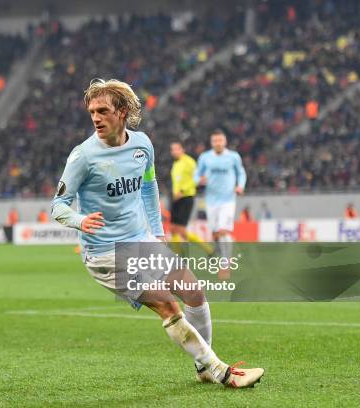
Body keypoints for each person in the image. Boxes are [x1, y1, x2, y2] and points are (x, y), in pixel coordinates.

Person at [51, 79, 263, 388]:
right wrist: (79, 221)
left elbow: (149, 186)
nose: (95, 118)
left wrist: (158, 233)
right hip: (106, 253)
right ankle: (221, 372)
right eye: (92, 112)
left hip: (142, 240)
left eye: (103, 110)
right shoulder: (83, 156)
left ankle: (203, 367)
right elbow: (58, 205)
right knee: (167, 304)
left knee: (194, 293)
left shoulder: (142, 145)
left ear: (122, 111)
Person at [195, 130, 246, 280]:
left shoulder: (233, 157)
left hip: (228, 200)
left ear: (225, 142)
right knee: (215, 234)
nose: (218, 143)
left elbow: (241, 173)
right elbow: (197, 174)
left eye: (220, 140)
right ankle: (223, 252)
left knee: (223, 231)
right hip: (211, 201)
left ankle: (225, 266)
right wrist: (199, 180)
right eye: (215, 141)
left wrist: (240, 186)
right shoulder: (205, 158)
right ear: (212, 143)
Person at [168, 141, 213, 256]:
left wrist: (182, 191)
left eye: (177, 149)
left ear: (182, 149)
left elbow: (197, 178)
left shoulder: (189, 162)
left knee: (181, 230)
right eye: (172, 150)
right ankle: (177, 257)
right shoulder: (176, 164)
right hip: (176, 199)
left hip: (186, 197)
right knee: (172, 228)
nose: (174, 151)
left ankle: (209, 250)